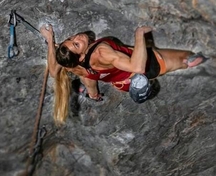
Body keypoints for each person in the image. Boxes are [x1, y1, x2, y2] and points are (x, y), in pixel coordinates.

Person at [40, 25, 209, 124]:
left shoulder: (76, 67)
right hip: (147, 65)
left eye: (71, 38)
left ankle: (138, 87)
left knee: (90, 79)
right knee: (184, 59)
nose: (78, 37)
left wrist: (49, 40)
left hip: (121, 82)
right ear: (82, 55)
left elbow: (54, 71)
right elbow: (137, 67)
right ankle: (142, 90)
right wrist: (139, 34)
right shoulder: (101, 52)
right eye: (76, 44)